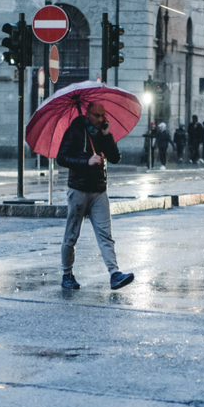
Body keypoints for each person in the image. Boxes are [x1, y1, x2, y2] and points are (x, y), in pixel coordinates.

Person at [56, 102, 135, 291]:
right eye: (97, 115)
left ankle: (115, 274)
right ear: (87, 114)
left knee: (105, 234)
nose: (100, 119)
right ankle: (67, 274)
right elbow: (61, 158)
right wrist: (86, 161)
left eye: (103, 115)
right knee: (71, 235)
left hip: (99, 191)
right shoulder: (74, 131)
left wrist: (108, 136)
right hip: (79, 190)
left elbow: (115, 158)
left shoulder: (102, 133)